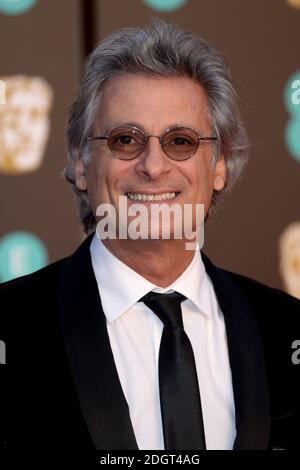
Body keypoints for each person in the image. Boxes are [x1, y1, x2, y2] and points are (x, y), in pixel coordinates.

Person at [0, 19, 299, 451]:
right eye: (126, 139)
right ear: (82, 163)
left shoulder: (288, 328)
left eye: (181, 141)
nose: (153, 166)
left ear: (218, 167)